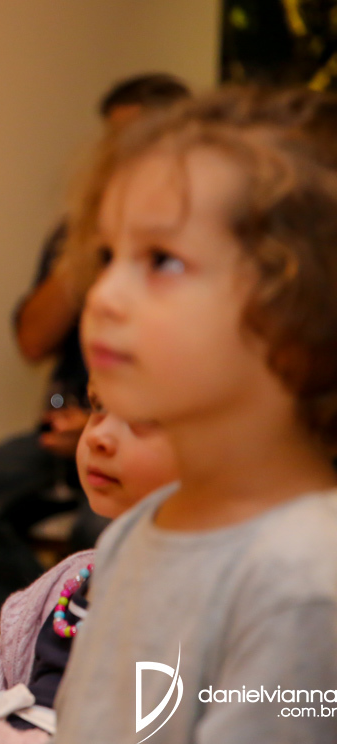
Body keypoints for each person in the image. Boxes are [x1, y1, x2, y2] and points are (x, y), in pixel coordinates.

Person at [52, 87, 337, 743]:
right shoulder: (136, 530)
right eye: (107, 257)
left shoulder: (305, 581)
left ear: (294, 308)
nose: (104, 295)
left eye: (162, 261)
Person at [0, 73, 191, 610]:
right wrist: (88, 244)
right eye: (111, 140)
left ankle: (81, 617)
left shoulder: (190, 243)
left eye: (133, 139)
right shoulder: (81, 234)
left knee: (98, 527)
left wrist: (107, 423)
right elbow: (33, 341)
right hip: (65, 429)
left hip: (144, 435)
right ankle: (49, 618)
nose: (116, 154)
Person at [0, 385, 178, 744]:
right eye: (98, 406)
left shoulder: (185, 609)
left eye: (139, 420)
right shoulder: (65, 581)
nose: (98, 436)